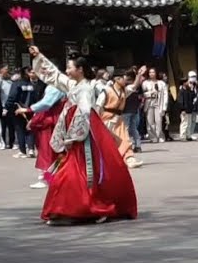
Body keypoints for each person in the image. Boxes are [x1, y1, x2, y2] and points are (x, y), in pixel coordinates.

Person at [28, 47, 137, 224]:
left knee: (81, 171)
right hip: (77, 129)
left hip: (85, 134)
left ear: (80, 70)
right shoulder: (73, 84)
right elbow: (54, 76)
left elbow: (84, 113)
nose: (67, 70)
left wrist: (73, 137)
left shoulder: (85, 88)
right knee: (72, 171)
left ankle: (86, 208)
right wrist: (38, 56)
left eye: (70, 67)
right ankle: (66, 209)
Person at [18, 81, 66, 188]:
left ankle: (47, 179)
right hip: (55, 119)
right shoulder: (62, 86)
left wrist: (29, 110)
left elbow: (46, 104)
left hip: (50, 121)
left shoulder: (55, 87)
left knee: (47, 152)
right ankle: (52, 178)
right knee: (53, 152)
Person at [100, 70, 144, 169]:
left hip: (118, 119)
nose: (124, 80)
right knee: (107, 141)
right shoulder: (106, 91)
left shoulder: (124, 90)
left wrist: (139, 75)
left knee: (125, 139)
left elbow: (134, 86)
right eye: (122, 78)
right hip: (106, 118)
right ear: (116, 79)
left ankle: (129, 159)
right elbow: (98, 106)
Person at [142, 68, 168, 143]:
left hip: (158, 103)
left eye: (153, 72)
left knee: (159, 121)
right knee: (150, 122)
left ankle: (160, 136)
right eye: (150, 72)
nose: (151, 74)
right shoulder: (145, 83)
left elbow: (165, 95)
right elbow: (143, 94)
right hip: (149, 103)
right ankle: (152, 137)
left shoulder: (161, 83)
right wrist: (150, 93)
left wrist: (164, 107)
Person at [122, 67, 144, 151]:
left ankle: (127, 146)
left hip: (126, 109)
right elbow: (140, 95)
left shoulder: (125, 85)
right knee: (133, 128)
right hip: (135, 109)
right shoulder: (137, 85)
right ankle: (138, 145)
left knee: (126, 129)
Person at [0, 65, 13, 150]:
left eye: (7, 70)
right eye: (5, 70)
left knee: (11, 125)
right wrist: (1, 78)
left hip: (10, 106)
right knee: (2, 126)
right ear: (1, 71)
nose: (7, 71)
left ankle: (12, 143)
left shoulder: (10, 81)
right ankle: (2, 142)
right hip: (1, 106)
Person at [178, 72, 198, 140]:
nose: (188, 82)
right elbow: (180, 101)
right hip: (184, 110)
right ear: (184, 83)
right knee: (184, 123)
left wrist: (192, 89)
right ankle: (182, 136)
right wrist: (182, 109)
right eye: (187, 81)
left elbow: (192, 96)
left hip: (190, 109)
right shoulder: (181, 90)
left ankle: (188, 135)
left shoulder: (188, 90)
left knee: (189, 123)